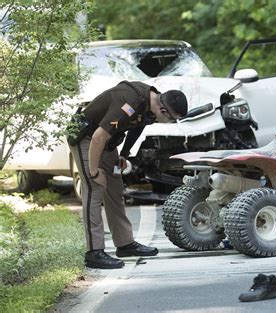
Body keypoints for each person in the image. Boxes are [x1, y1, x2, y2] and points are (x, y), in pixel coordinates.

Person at [67, 80, 188, 269]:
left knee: (115, 188)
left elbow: (136, 127)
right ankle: (94, 252)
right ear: (164, 110)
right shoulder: (130, 102)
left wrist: (124, 154)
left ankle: (125, 244)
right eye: (173, 119)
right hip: (87, 138)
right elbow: (99, 135)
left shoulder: (150, 103)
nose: (172, 123)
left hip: (107, 142)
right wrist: (93, 171)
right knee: (95, 188)